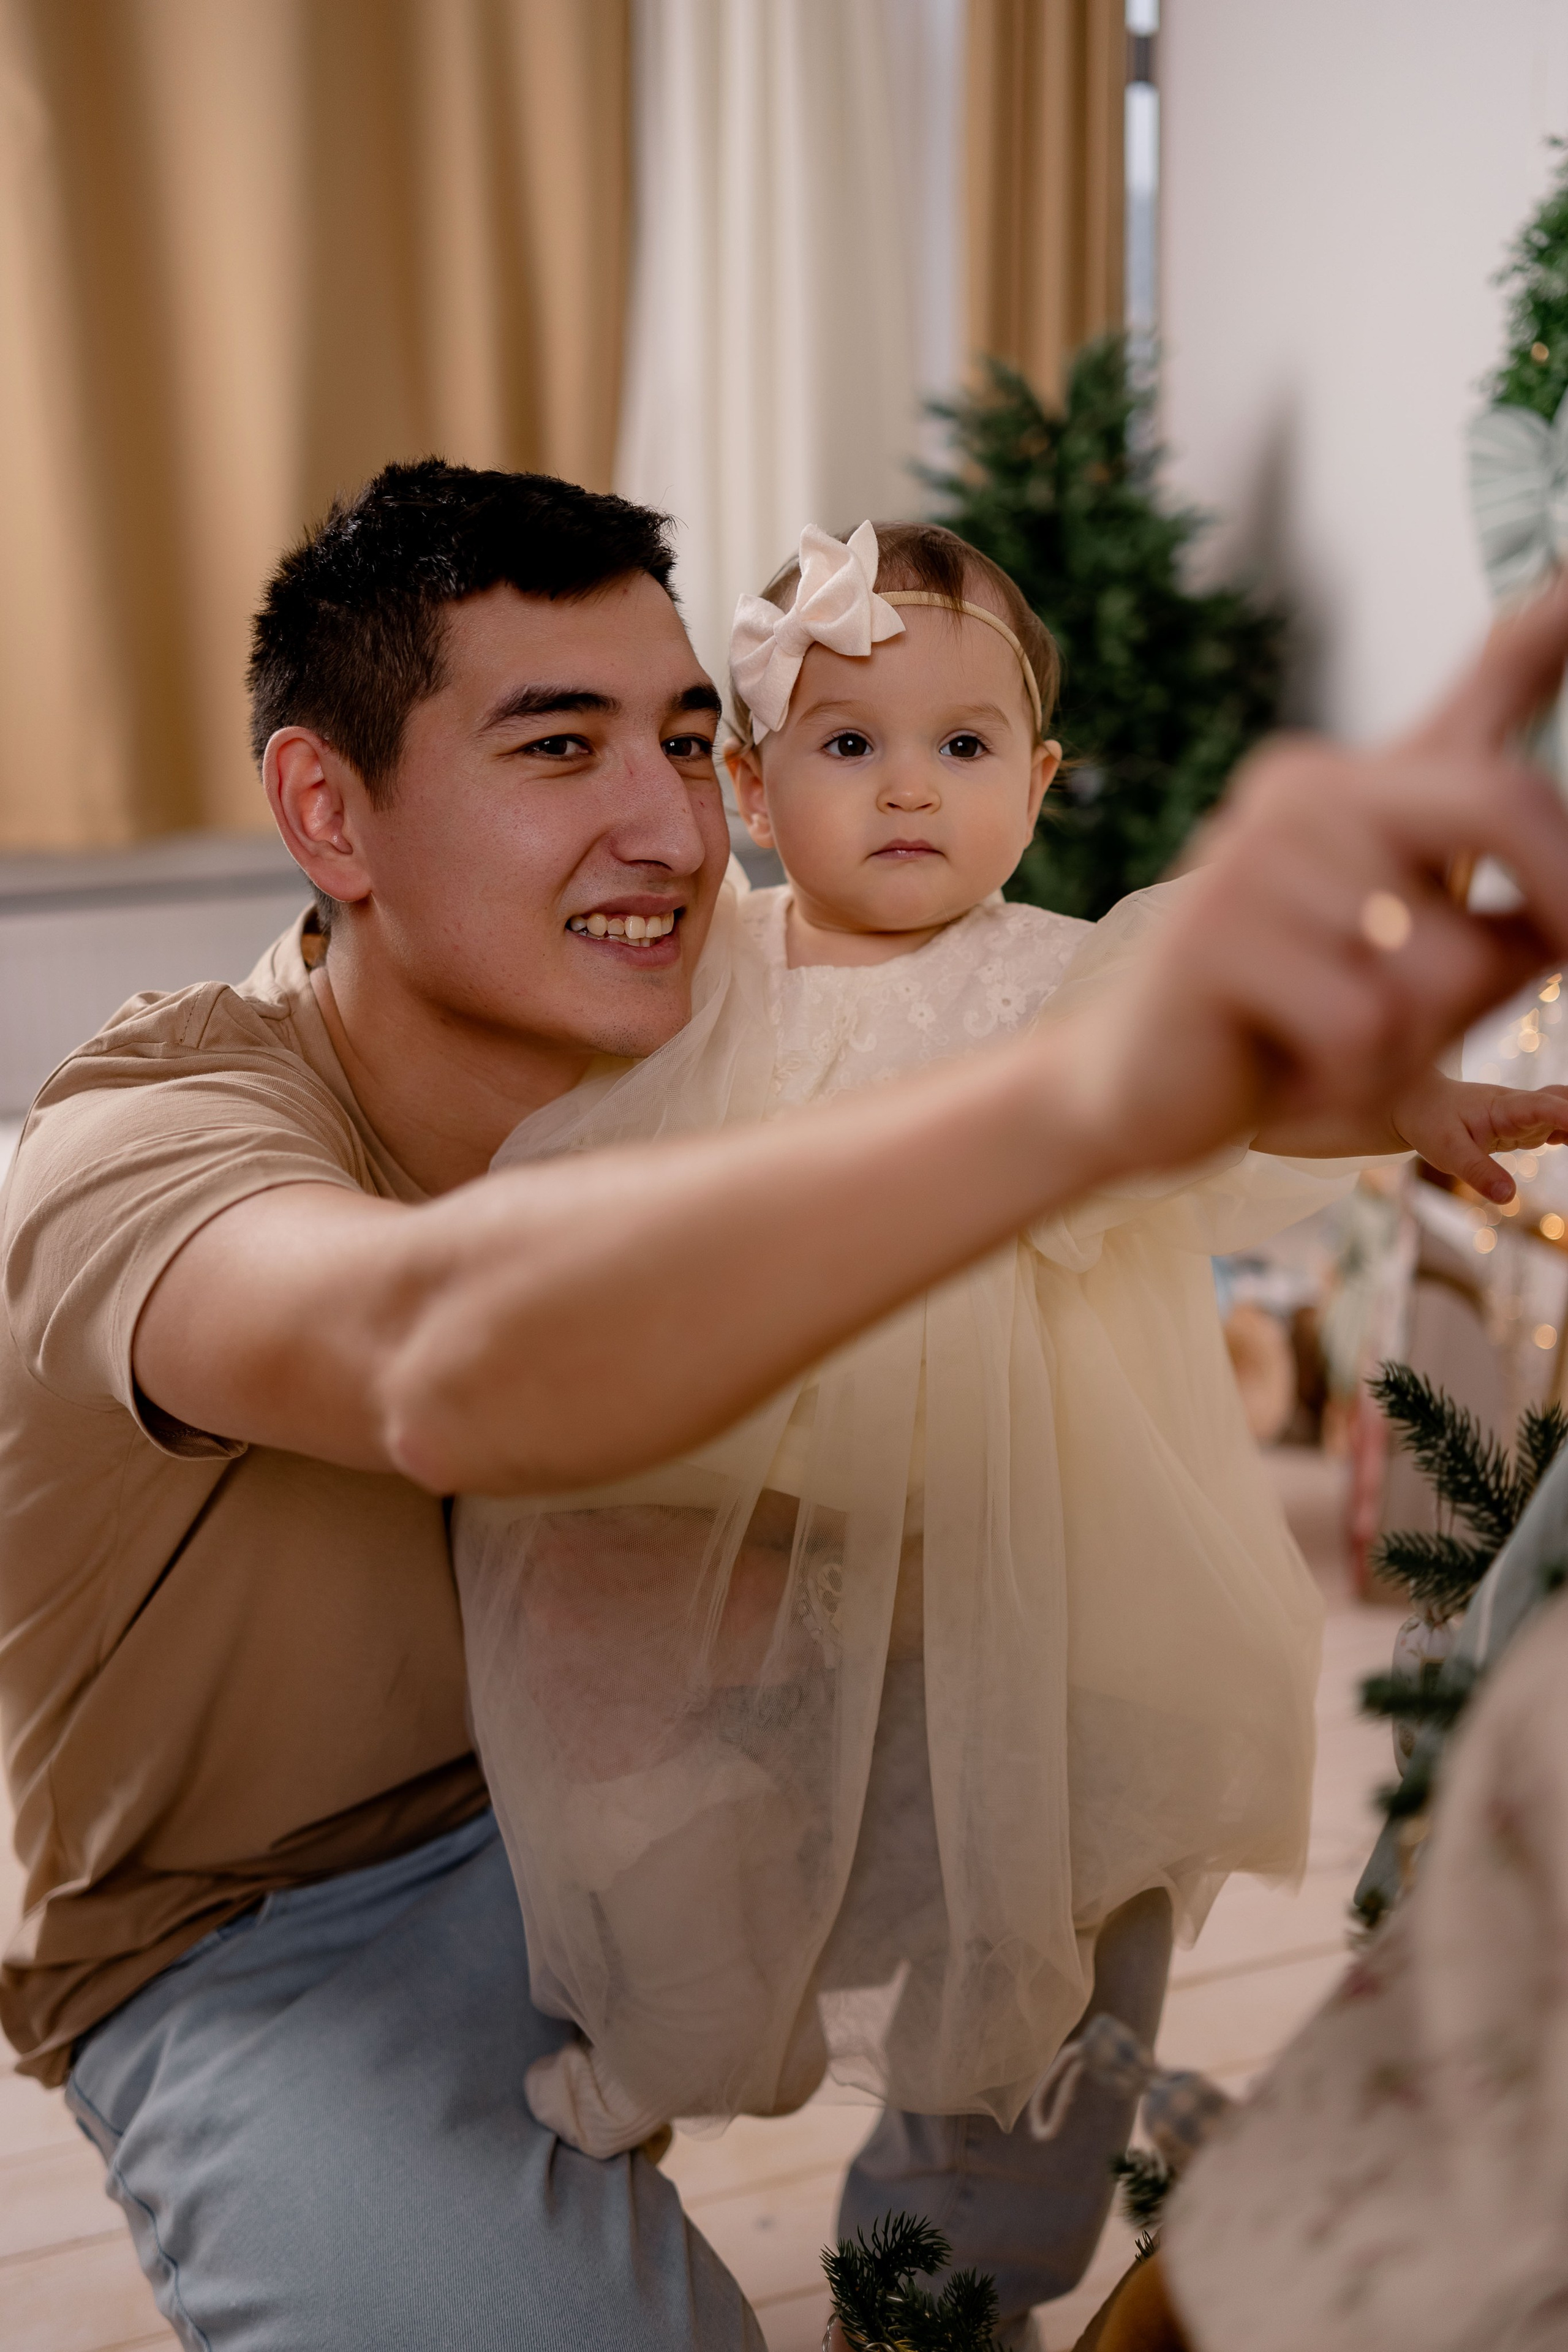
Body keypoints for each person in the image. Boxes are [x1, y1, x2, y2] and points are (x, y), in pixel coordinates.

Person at [2, 458, 1567, 2352]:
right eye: (558, 748)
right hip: (282, 1928)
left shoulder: (725, 1005)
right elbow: (435, 1357)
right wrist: (1081, 1104)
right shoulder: (141, 1146)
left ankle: (959, 2273)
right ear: (331, 812)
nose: (667, 829)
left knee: (1091, 1768)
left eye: (683, 740)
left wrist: (1286, 1068)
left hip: (682, 1740)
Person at [454, 521, 1568, 2266]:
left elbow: (1237, 1089)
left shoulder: (1065, 983)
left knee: (1051, 1889)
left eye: (965, 746)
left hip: (1029, 1551)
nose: (912, 788)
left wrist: (1396, 1105)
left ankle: (961, 2261)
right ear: (749, 788)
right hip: (745, 1543)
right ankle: (682, 2031)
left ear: (1038, 786)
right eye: (849, 743)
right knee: (680, 1818)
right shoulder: (701, 977)